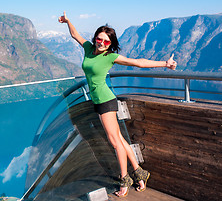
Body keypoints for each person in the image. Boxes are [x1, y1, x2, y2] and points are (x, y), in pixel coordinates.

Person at [58, 12, 177, 197]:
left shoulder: (110, 57)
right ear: (95, 38)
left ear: (110, 44)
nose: (102, 43)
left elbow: (137, 63)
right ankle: (139, 173)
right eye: (100, 39)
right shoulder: (88, 48)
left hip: (106, 101)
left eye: (106, 42)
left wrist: (165, 64)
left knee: (115, 143)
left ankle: (124, 180)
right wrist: (68, 21)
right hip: (98, 101)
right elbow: (75, 35)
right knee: (120, 140)